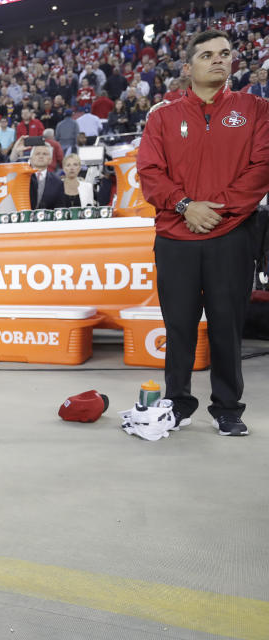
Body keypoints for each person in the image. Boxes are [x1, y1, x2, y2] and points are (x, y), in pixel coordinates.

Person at [137, 30, 269, 437]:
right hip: (176, 237)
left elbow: (261, 168)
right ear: (188, 66)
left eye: (226, 53)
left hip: (230, 236)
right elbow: (149, 173)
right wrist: (185, 206)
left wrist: (216, 211)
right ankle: (177, 403)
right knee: (178, 326)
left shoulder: (256, 110)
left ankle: (228, 407)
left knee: (227, 325)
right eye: (208, 54)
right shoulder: (162, 116)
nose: (219, 60)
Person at [28, 143, 64, 209]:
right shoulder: (22, 178)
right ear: (31, 159)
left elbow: (60, 207)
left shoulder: (58, 182)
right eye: (37, 153)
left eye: (45, 154)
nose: (41, 156)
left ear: (50, 160)